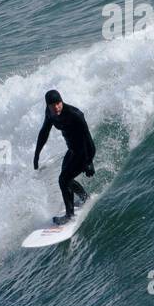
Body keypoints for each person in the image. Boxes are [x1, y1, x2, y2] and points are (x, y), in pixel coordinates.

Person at [33, 90, 96, 225]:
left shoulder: (75, 115)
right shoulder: (50, 114)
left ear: (62, 101)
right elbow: (44, 132)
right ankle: (84, 197)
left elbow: (87, 138)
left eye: (58, 103)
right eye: (52, 105)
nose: (56, 107)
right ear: (48, 106)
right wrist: (36, 154)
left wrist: (89, 162)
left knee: (63, 180)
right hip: (72, 150)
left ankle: (69, 215)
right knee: (66, 178)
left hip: (85, 151)